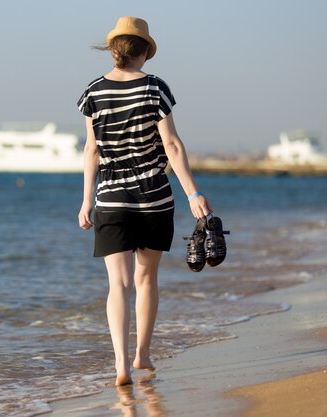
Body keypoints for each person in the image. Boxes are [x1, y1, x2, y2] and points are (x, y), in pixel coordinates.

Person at [77, 16, 212, 386]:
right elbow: (171, 145)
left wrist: (86, 200)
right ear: (144, 53)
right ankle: (143, 355)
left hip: (112, 200)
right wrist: (193, 193)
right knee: (146, 279)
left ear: (113, 50)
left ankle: (120, 364)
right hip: (154, 198)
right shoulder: (156, 88)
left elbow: (91, 150)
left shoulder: (92, 92)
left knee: (116, 284)